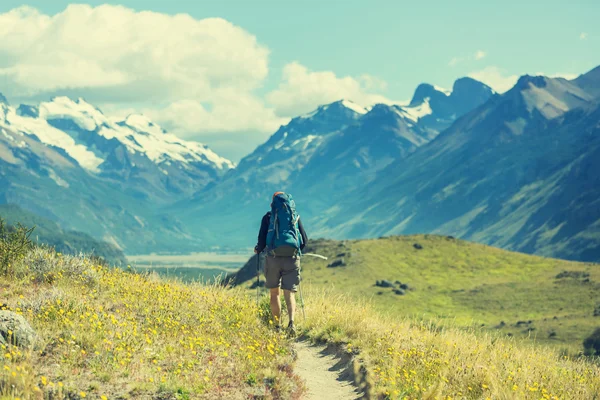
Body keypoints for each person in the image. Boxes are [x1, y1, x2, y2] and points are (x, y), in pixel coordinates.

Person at [255, 192, 308, 335]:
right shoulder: (294, 216)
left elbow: (261, 241)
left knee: (274, 293)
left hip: (273, 259)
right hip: (292, 258)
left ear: (273, 203)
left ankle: (276, 326)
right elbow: (304, 239)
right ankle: (291, 323)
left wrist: (258, 249)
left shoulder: (268, 217)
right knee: (289, 293)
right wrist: (296, 252)